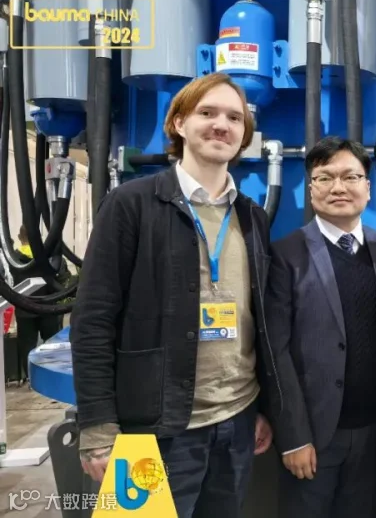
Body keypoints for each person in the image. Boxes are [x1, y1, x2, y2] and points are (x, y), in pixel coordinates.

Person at [70, 72, 283, 517]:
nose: (221, 125)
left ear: (244, 134)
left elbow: (260, 323)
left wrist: (261, 408)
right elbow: (92, 321)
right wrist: (98, 427)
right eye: (207, 112)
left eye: (234, 118)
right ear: (179, 123)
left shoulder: (252, 217)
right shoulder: (131, 205)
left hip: (237, 424)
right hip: (150, 429)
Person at [265, 136, 376, 518]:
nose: (338, 187)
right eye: (325, 178)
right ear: (311, 190)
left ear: (367, 188)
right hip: (313, 435)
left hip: (374, 431)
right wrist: (293, 437)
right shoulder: (285, 254)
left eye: (350, 177)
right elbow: (275, 351)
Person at [9, 224, 69, 381]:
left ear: (19, 237)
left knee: (27, 345)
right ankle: (54, 375)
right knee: (51, 343)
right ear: (38, 237)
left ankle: (31, 379)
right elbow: (63, 278)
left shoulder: (13, 260)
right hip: (48, 308)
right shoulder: (49, 257)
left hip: (24, 309)